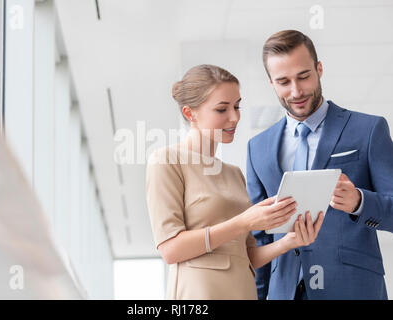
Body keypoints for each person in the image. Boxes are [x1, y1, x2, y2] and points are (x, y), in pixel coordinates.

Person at [145, 64, 324, 300]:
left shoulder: (233, 173)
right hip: (200, 292)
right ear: (190, 114)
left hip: (242, 291)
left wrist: (289, 242)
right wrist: (242, 222)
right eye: (222, 109)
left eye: (237, 106)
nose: (235, 117)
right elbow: (170, 250)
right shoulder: (166, 161)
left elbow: (246, 255)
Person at [246, 30, 393, 300]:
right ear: (271, 83)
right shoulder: (257, 148)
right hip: (284, 292)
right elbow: (260, 237)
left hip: (352, 289)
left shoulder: (369, 130)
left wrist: (360, 202)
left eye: (304, 76)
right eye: (283, 81)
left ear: (319, 69)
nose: (296, 91)